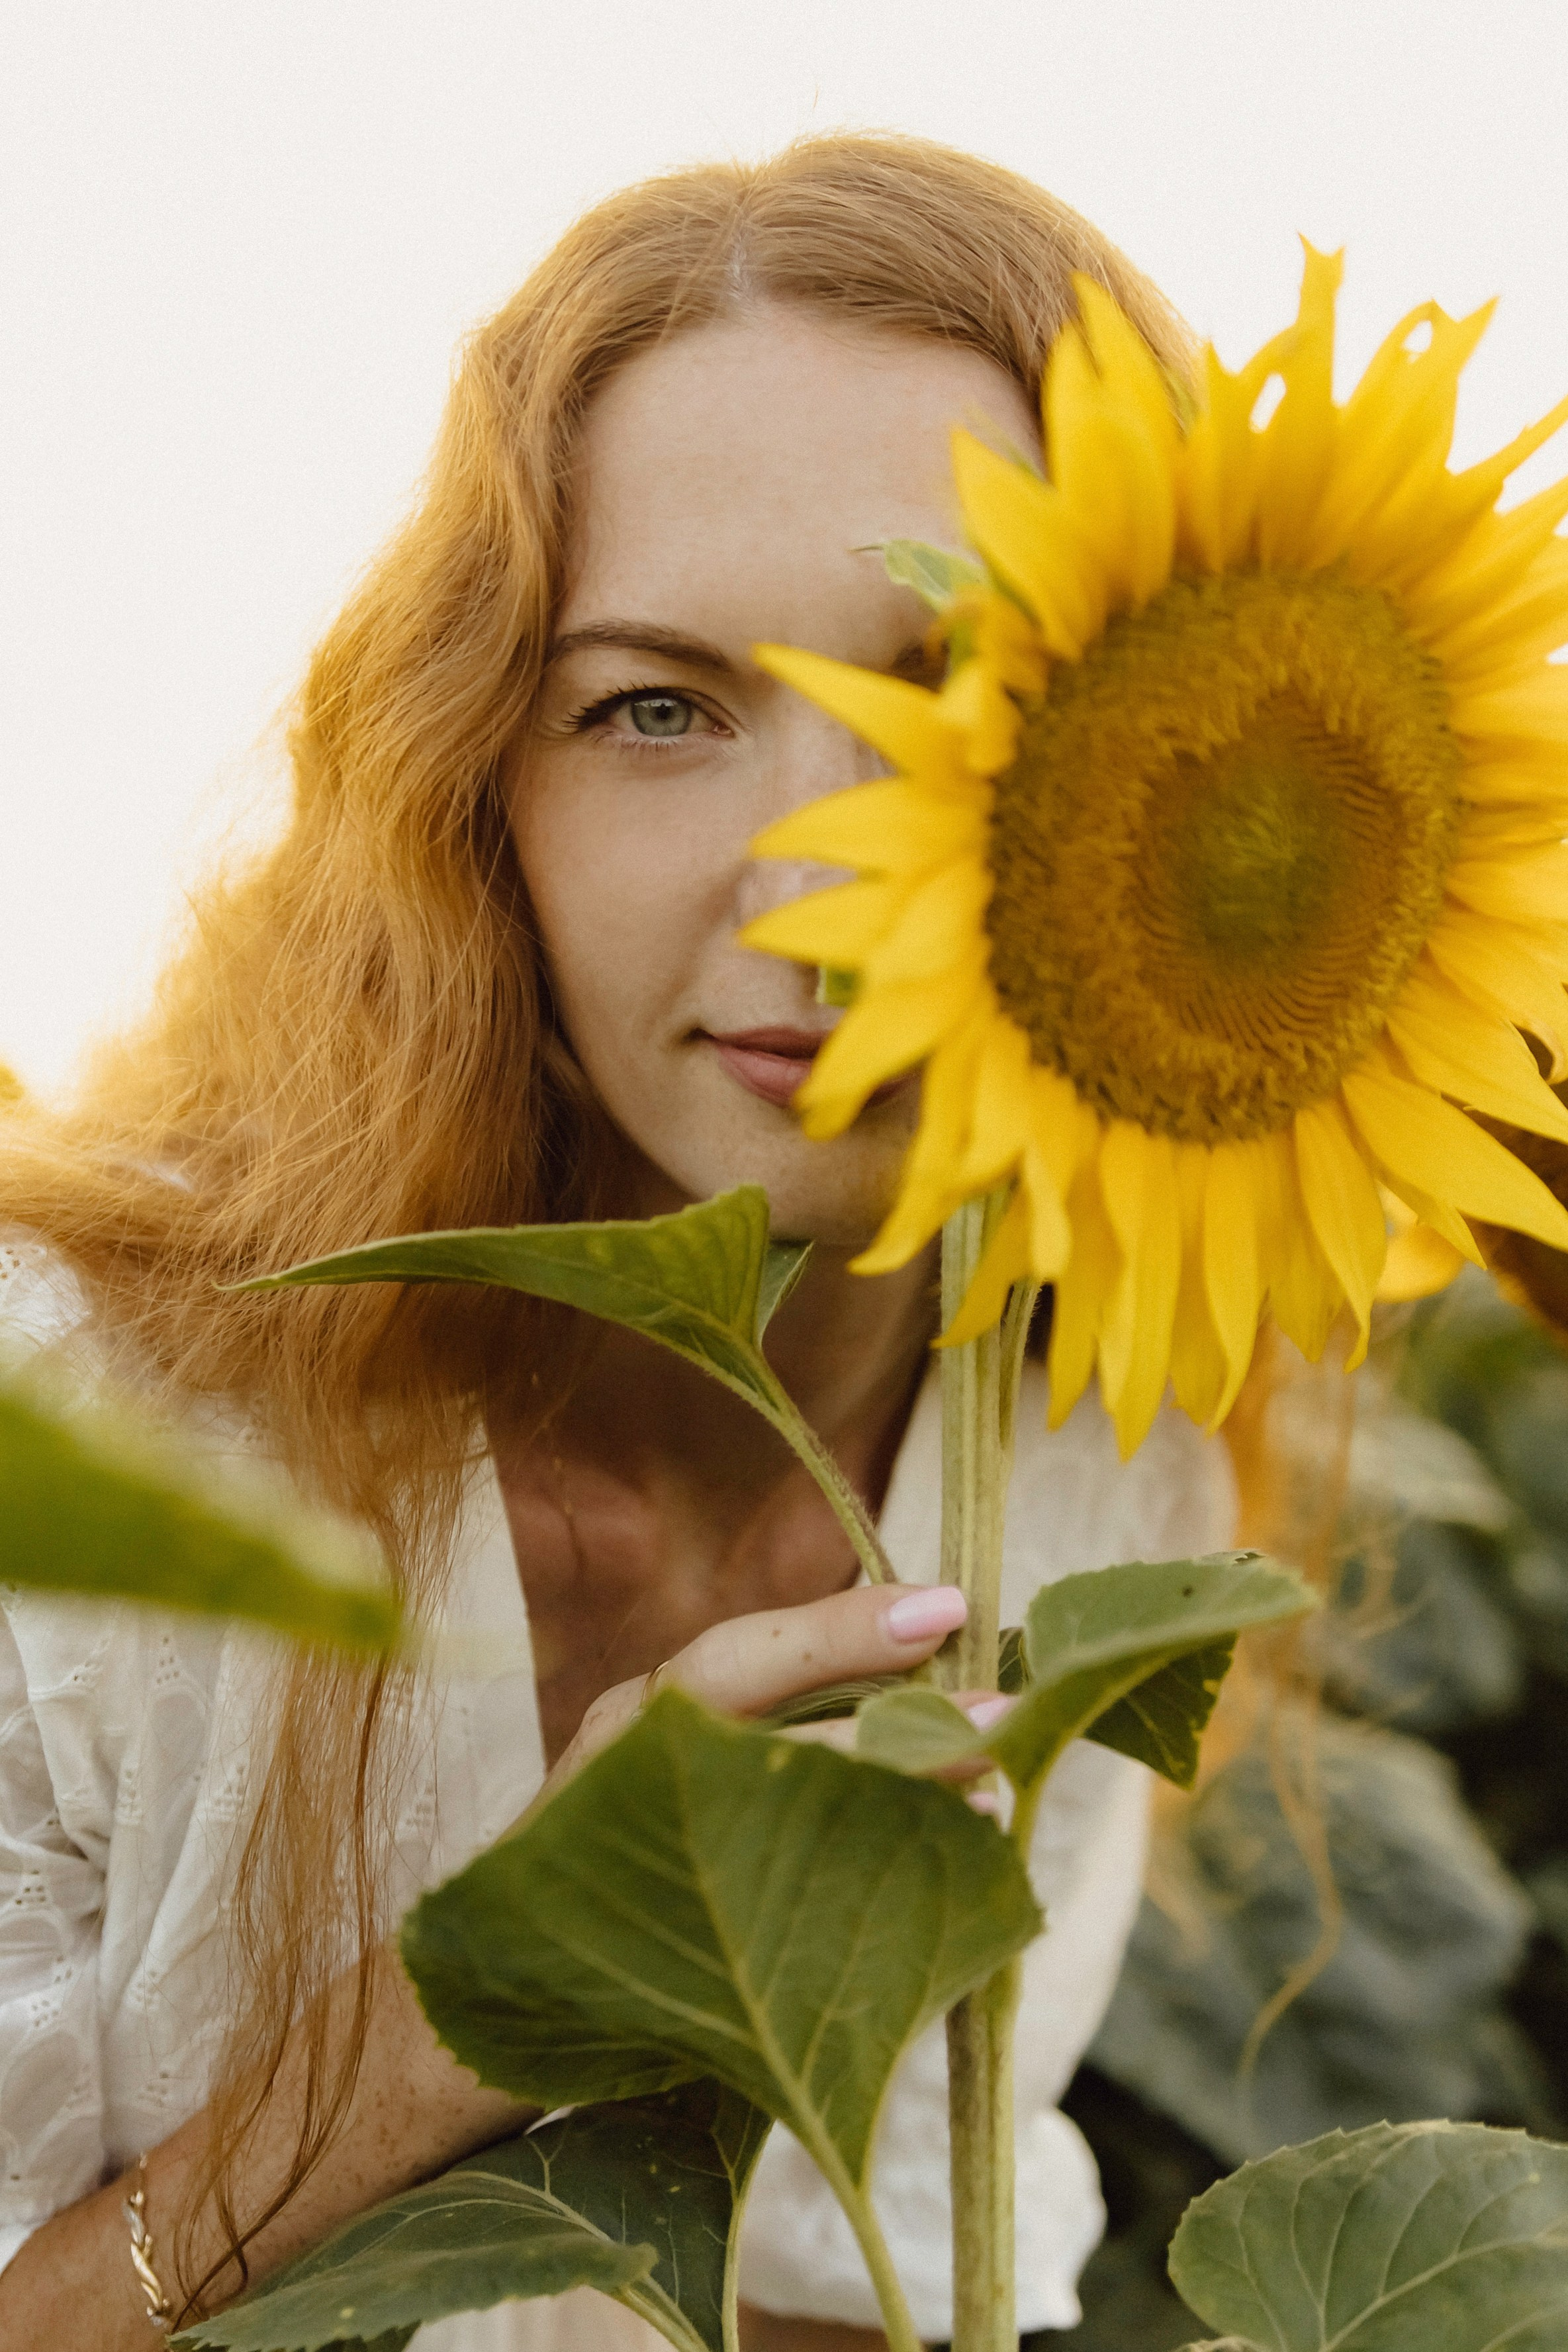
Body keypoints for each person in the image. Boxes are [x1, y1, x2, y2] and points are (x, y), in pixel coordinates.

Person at [0, 134, 1234, 2350]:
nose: (814, 892)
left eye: (961, 706)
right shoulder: (78, 1449)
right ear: (482, 780)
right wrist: (461, 2019)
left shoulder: (1078, 1467)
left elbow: (843, 2299)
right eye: (655, 707)